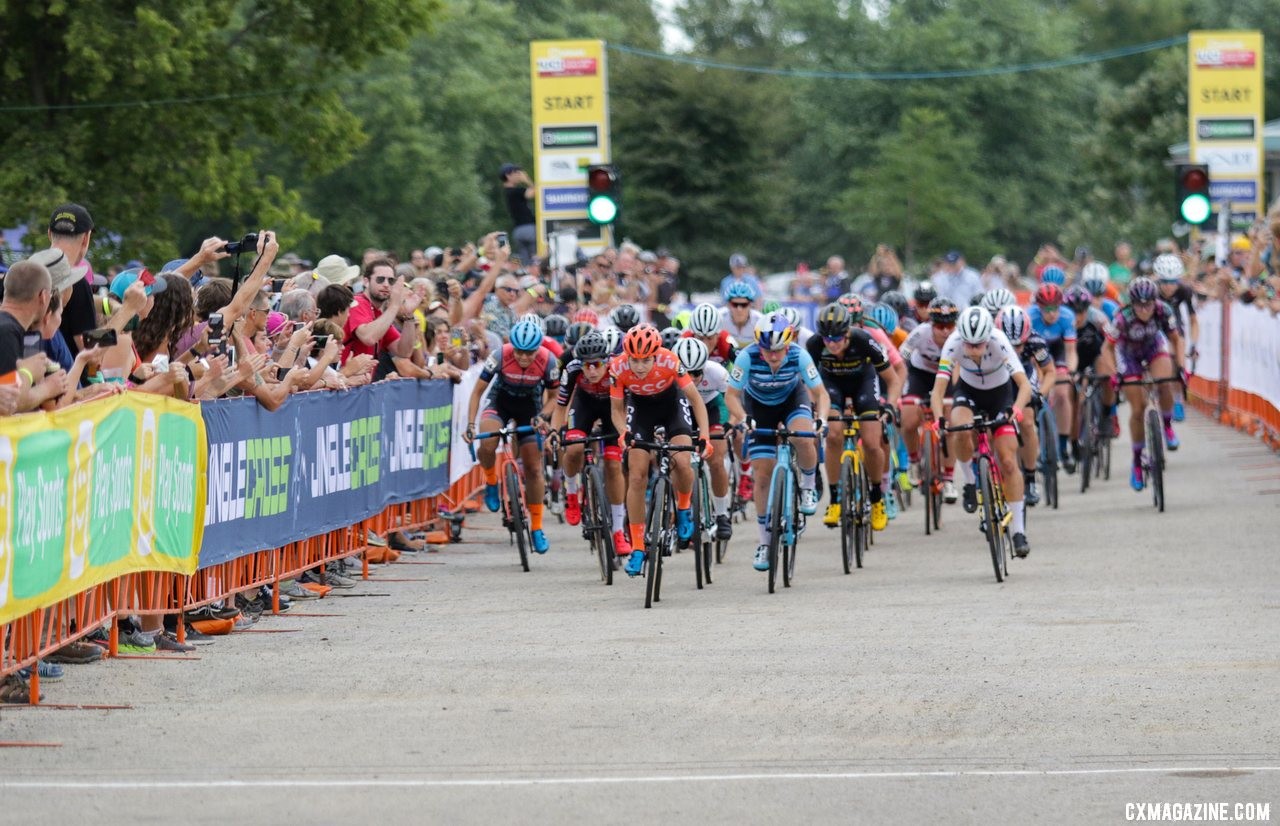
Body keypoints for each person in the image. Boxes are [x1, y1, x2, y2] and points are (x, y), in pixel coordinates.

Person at [726, 313, 830, 572]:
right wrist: (743, 418)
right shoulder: (746, 356)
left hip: (791, 401)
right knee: (762, 473)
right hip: (759, 407)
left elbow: (820, 393)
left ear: (788, 344)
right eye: (767, 351)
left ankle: (807, 485)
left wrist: (823, 420)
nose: (773, 356)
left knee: (803, 436)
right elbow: (731, 395)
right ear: (758, 346)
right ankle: (764, 541)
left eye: (779, 350)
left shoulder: (798, 355)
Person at [931, 306, 1033, 558]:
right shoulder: (954, 344)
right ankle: (969, 481)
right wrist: (937, 419)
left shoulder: (1000, 342)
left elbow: (1024, 386)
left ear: (988, 337)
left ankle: (1019, 530)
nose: (974, 350)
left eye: (979, 345)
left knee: (1008, 462)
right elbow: (938, 390)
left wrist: (1017, 410)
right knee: (959, 427)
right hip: (969, 392)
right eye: (969, 345)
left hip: (1001, 396)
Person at [610, 325, 711, 577]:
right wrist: (624, 432)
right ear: (627, 357)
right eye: (635, 360)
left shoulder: (670, 360)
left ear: (655, 355)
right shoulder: (618, 368)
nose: (640, 366)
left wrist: (705, 436)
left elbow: (695, 399)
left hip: (671, 405)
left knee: (682, 460)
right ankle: (637, 547)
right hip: (640, 410)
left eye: (646, 360)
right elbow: (616, 409)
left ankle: (685, 508)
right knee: (636, 475)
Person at [465, 319, 559, 553]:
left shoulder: (548, 360)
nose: (524, 357)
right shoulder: (500, 355)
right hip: (500, 403)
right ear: (511, 347)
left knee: (534, 468)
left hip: (530, 408)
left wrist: (543, 416)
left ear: (538, 348)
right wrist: (470, 425)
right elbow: (477, 392)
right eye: (519, 352)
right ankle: (491, 481)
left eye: (529, 353)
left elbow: (555, 397)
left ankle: (537, 527)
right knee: (487, 441)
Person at [810, 303, 900, 530]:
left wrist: (889, 406)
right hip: (832, 387)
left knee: (871, 442)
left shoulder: (864, 340)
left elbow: (893, 379)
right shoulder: (814, 345)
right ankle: (834, 499)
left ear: (848, 333)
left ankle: (877, 497)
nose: (832, 344)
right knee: (833, 436)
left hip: (864, 384)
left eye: (837, 338)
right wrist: (814, 407)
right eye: (827, 339)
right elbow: (807, 382)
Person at [1103, 278, 1183, 492]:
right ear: (1132, 303)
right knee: (1137, 410)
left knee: (1164, 382)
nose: (1145, 309)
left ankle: (1166, 425)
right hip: (1128, 356)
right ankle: (1137, 461)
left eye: (1149, 304)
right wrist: (1115, 373)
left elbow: (1176, 339)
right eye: (1140, 305)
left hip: (1153, 348)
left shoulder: (1163, 310)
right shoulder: (1121, 318)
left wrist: (1182, 367)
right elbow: (1107, 349)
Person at [672, 336, 734, 540]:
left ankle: (722, 513)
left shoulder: (717, 372)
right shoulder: (669, 374)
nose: (691, 378)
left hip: (711, 409)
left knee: (716, 459)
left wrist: (728, 424)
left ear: (704, 367)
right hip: (681, 411)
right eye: (686, 373)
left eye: (697, 373)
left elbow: (732, 400)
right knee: (676, 461)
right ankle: (680, 510)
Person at [899, 297, 959, 502]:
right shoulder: (921, 332)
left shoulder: (959, 336)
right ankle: (914, 462)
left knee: (950, 425)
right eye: (940, 325)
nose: (945, 331)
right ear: (932, 323)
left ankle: (949, 479)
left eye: (950, 325)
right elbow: (902, 355)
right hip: (920, 374)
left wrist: (957, 394)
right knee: (907, 420)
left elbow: (961, 368)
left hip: (948, 376)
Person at [996, 305, 1054, 507]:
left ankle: (1030, 478)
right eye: (1010, 346)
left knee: (1027, 422)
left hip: (1024, 375)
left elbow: (1050, 372)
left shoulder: (1035, 340)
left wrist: (1040, 394)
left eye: (1019, 346)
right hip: (999, 378)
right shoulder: (991, 340)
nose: (1015, 350)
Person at [1028, 283, 1078, 472]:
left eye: (1055, 308)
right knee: (1037, 392)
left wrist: (1070, 372)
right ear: (1039, 307)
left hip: (1057, 353)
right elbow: (1030, 355)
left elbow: (1071, 351)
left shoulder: (1067, 317)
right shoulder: (1030, 317)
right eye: (1047, 309)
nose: (1052, 313)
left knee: (1063, 394)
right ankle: (1040, 445)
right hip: (1036, 355)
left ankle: (1063, 446)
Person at [500, 164, 538, 264]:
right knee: (536, 260)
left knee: (525, 263)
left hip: (518, 231)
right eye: (516, 173)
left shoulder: (507, 193)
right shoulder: (515, 192)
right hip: (528, 229)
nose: (519, 175)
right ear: (508, 176)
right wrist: (526, 180)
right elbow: (535, 192)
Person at [719, 282, 762, 348]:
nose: (739, 309)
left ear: (750, 305)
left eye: (744, 305)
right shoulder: (719, 318)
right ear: (728, 305)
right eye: (735, 304)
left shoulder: (759, 321)